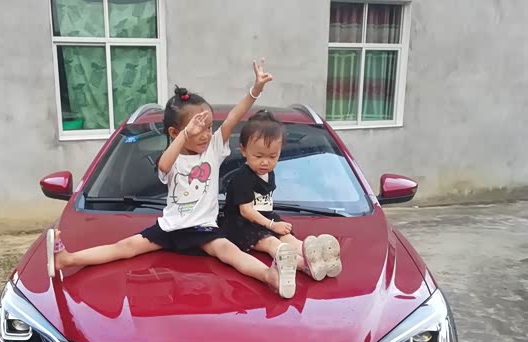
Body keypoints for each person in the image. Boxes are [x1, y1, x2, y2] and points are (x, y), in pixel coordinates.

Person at [47, 59, 298, 298]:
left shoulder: (212, 150)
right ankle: (66, 259)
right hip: (171, 227)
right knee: (124, 247)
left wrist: (255, 90)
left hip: (203, 228)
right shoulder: (172, 158)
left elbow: (234, 117)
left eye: (208, 127)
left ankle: (270, 276)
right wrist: (186, 134)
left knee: (229, 252)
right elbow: (164, 164)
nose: (205, 134)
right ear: (175, 132)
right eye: (198, 129)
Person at [221, 110, 342, 281]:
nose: (265, 162)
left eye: (273, 156)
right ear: (243, 150)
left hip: (265, 219)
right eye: (258, 156)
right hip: (242, 225)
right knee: (273, 243)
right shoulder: (243, 177)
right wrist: (272, 225)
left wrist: (274, 225)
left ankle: (320, 257)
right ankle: (305, 266)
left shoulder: (268, 172)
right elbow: (246, 211)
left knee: (288, 238)